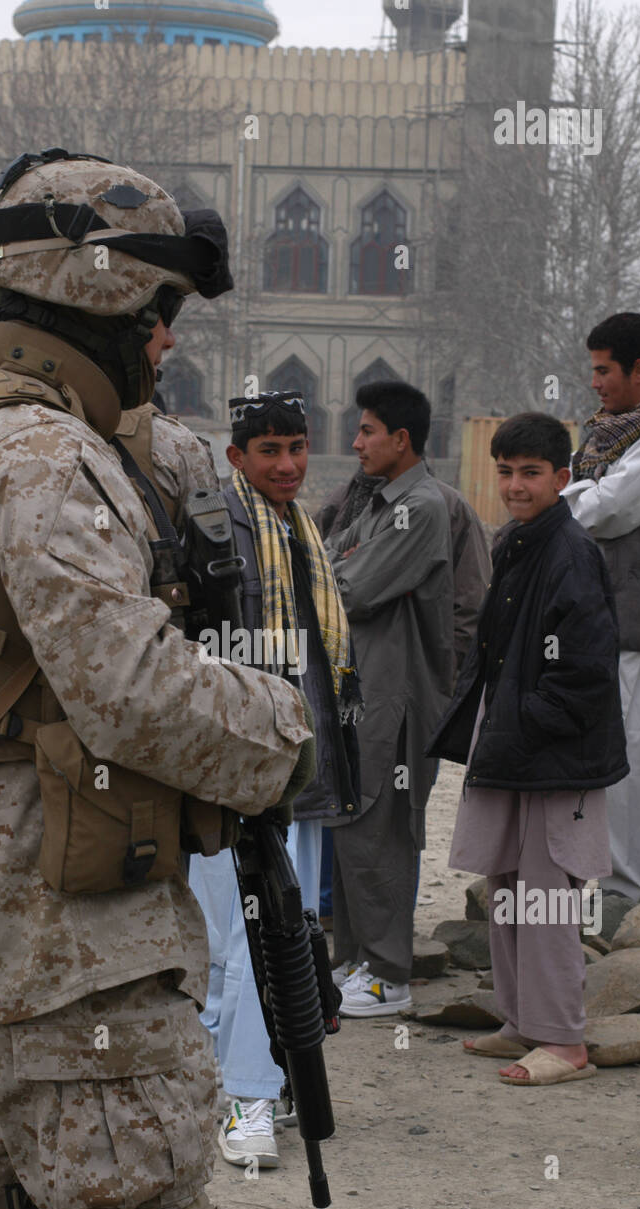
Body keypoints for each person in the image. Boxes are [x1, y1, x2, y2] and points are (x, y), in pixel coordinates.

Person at [0, 151, 314, 1209]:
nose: (167, 342)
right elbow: (125, 686)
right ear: (95, 298)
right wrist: (284, 733)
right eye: (157, 314)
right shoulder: (42, 453)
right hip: (70, 933)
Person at [187, 391, 359, 1169]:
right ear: (235, 458)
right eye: (269, 452)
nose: (286, 465)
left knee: (277, 932)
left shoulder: (301, 530)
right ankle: (245, 1098)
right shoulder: (216, 534)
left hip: (302, 771)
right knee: (237, 936)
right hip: (237, 770)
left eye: (296, 447)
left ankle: (251, 1086)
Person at [430, 413, 628, 1085]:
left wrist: (529, 723)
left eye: (532, 473)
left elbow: (588, 669)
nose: (516, 486)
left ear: (562, 478)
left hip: (554, 758)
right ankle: (521, 1022)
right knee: (508, 886)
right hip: (515, 747)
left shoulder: (573, 551)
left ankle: (565, 1042)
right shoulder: (519, 541)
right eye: (507, 472)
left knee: (547, 895)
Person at [324, 381, 453, 1016]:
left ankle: (390, 974)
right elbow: (328, 564)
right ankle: (355, 958)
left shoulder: (420, 508)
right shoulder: (375, 501)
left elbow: (341, 588)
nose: (356, 442)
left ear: (401, 440)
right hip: (363, 692)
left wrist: (333, 569)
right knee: (351, 826)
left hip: (395, 698)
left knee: (383, 830)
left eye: (368, 431)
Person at [563, 312, 640, 902]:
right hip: (623, 632)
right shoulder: (615, 434)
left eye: (603, 370)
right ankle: (621, 889)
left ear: (639, 370)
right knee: (621, 763)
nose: (594, 383)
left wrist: (573, 490)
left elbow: (600, 510)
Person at [318, 455, 491, 682]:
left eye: (369, 432)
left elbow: (471, 602)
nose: (359, 443)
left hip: (408, 682)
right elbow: (313, 568)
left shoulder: (447, 507)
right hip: (338, 668)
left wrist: (444, 674)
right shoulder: (342, 500)